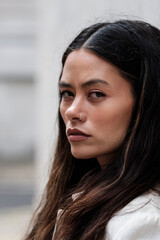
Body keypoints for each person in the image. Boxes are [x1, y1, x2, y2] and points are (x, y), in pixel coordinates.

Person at [25, 19, 160, 240]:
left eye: (96, 94)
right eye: (67, 93)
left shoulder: (143, 222)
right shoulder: (79, 198)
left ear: (146, 102)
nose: (72, 111)